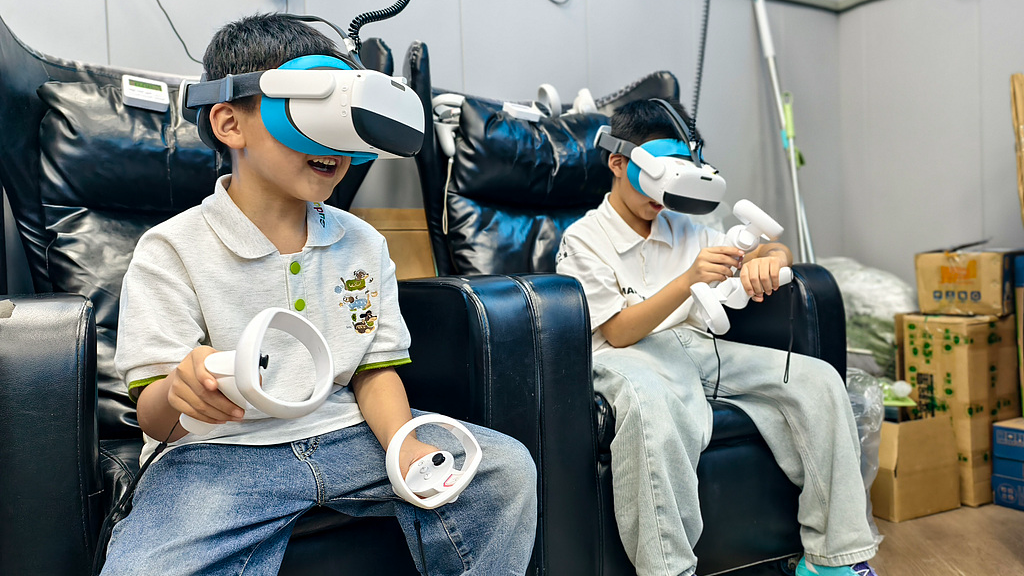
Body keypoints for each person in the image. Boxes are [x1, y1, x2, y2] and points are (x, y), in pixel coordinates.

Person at [104, 13, 536, 576]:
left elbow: (373, 369)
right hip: (218, 455)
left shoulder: (362, 242)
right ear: (229, 124)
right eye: (311, 114)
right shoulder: (172, 248)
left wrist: (403, 442)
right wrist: (180, 394)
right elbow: (155, 418)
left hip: (346, 434)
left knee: (504, 470)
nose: (332, 142)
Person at [555, 99, 879, 576]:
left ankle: (834, 560)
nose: (663, 197)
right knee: (654, 413)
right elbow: (619, 332)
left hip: (699, 351)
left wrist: (773, 257)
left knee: (818, 382)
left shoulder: (686, 226)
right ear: (619, 163)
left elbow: (760, 249)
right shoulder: (584, 239)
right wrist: (688, 281)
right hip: (627, 356)